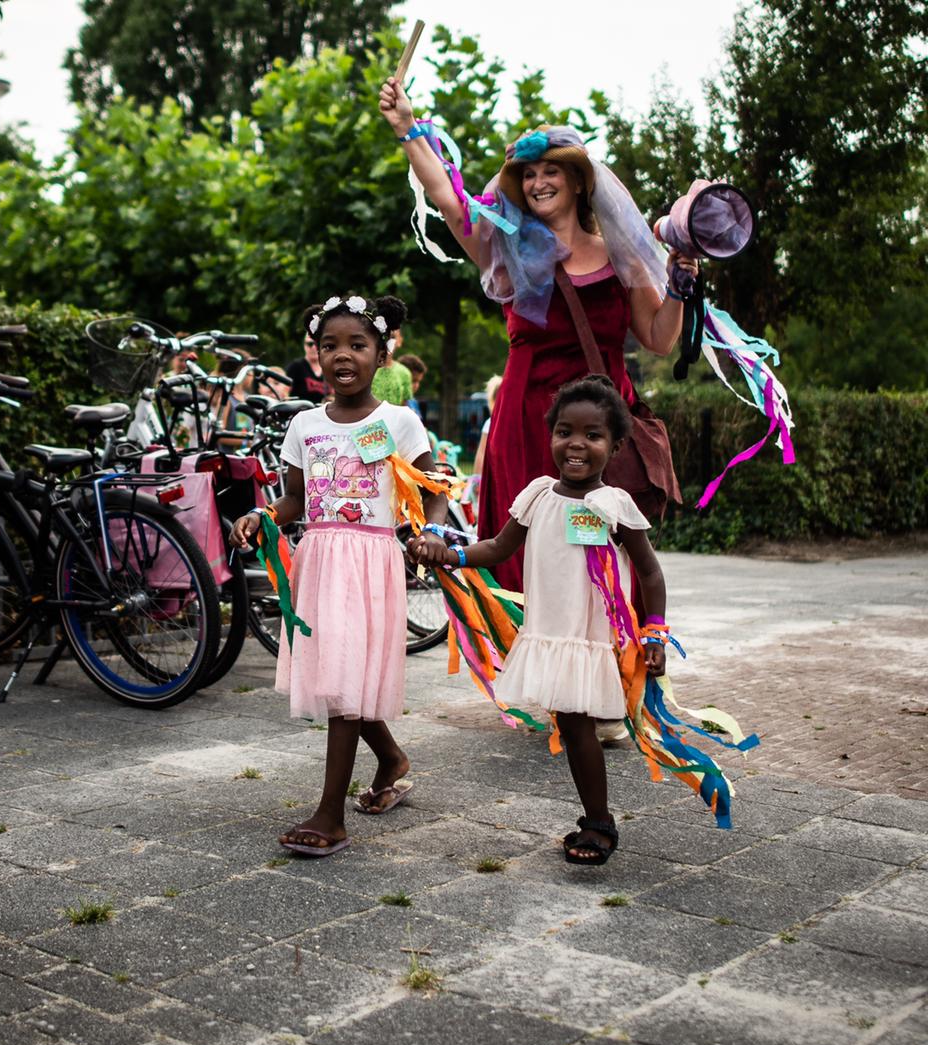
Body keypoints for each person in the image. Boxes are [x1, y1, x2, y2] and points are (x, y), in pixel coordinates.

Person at [380, 78, 697, 590]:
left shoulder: (621, 256)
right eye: (528, 174)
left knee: (606, 564)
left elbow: (659, 339)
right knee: (525, 561)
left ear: (578, 182)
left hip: (601, 427)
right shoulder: (506, 252)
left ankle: (608, 643)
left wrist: (680, 287)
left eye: (551, 171)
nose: (538, 182)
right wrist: (406, 128)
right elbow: (449, 201)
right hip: (526, 425)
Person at [411, 377, 665, 864]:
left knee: (579, 727)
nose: (576, 444)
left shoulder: (614, 505)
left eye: (593, 435)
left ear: (615, 446)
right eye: (565, 431)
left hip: (587, 640)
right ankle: (596, 819)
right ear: (551, 436)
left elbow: (650, 573)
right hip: (548, 635)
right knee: (572, 727)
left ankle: (599, 823)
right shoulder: (537, 495)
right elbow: (497, 547)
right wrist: (452, 555)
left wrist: (656, 630)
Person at [230, 294, 450, 857]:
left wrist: (432, 532)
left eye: (357, 344)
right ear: (317, 356)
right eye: (329, 345)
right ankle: (391, 759)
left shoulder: (398, 421)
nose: (342, 355)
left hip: (371, 563)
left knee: (347, 677)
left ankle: (330, 815)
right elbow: (295, 499)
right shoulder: (304, 424)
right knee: (337, 675)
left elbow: (434, 489)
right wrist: (263, 515)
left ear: (382, 354)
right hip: (320, 561)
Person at [473, 373, 503, 482]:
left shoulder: (491, 422)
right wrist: (477, 479)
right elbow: (482, 453)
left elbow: (481, 453)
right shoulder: (490, 423)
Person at [284, 332, 327, 401]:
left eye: (317, 344)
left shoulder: (329, 369)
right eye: (310, 344)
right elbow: (284, 392)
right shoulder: (296, 367)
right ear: (304, 346)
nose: (314, 347)